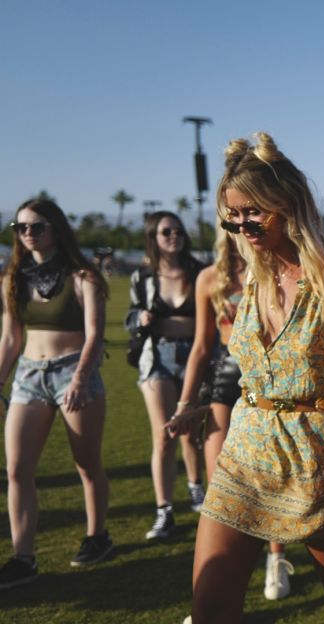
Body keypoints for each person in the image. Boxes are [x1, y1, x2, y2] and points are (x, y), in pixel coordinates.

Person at [189, 132, 324, 623]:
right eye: (232, 217)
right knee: (210, 603)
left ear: (288, 204)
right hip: (246, 451)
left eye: (254, 213)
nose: (243, 227)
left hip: (320, 457)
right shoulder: (247, 277)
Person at [165, 227, 292, 601]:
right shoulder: (209, 277)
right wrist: (185, 403)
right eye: (233, 221)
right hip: (226, 372)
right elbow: (202, 345)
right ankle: (217, 582)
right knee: (220, 476)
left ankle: (276, 557)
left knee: (270, 474)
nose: (242, 229)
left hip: (271, 374)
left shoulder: (275, 270)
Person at [0, 199, 111, 589]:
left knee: (86, 463)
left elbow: (95, 334)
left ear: (55, 228)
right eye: (21, 227)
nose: (28, 233)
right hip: (29, 375)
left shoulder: (83, 276)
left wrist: (81, 377)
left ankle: (97, 536)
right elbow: (11, 338)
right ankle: (23, 557)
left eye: (37, 226)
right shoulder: (13, 277)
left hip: (73, 372)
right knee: (17, 470)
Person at [126, 211, 206, 540]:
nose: (174, 235)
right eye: (165, 232)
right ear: (154, 238)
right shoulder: (143, 277)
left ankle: (196, 487)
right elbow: (129, 316)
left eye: (177, 230)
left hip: (195, 357)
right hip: (157, 356)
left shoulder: (199, 272)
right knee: (164, 434)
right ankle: (164, 511)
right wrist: (139, 317)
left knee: (190, 433)